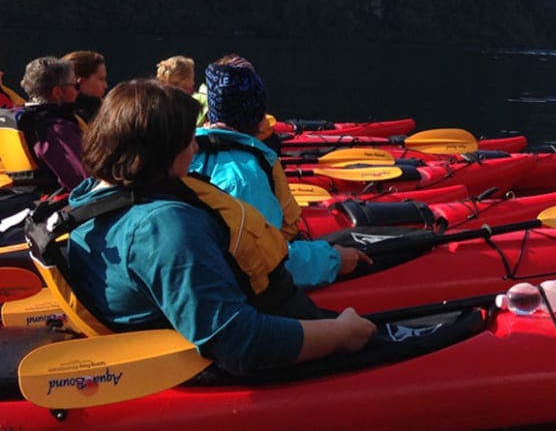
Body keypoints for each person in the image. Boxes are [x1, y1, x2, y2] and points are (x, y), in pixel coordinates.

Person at [60, 79, 375, 374]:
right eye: (187, 140)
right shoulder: (162, 228)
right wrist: (341, 333)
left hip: (211, 318)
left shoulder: (89, 197)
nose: (195, 148)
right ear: (161, 149)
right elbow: (237, 341)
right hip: (238, 357)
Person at [190, 60, 371, 287]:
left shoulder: (190, 150)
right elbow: (266, 261)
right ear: (259, 115)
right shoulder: (244, 177)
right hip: (252, 288)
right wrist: (333, 259)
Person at [15, 56, 87, 190]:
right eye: (76, 85)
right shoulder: (58, 130)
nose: (78, 91)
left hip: (20, 198)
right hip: (58, 202)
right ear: (57, 92)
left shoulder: (15, 119)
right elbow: (82, 181)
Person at [62, 50, 108, 124]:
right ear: (80, 82)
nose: (105, 86)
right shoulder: (64, 119)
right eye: (100, 79)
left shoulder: (108, 110)